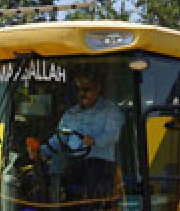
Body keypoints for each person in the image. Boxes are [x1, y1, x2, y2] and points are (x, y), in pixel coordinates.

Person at [28, 70, 125, 200]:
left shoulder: (111, 111)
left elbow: (113, 134)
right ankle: (54, 210)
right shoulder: (70, 114)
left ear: (98, 88)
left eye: (86, 89)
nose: (81, 94)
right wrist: (40, 151)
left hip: (101, 166)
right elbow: (59, 139)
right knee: (51, 171)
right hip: (74, 164)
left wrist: (95, 140)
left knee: (90, 172)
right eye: (78, 90)